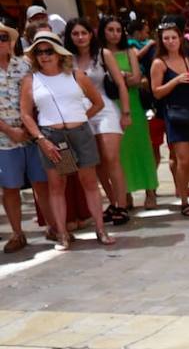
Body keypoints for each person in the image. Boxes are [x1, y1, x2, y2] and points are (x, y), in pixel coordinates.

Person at [20, 30, 112, 249]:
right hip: (52, 136)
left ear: (59, 52)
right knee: (57, 185)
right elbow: (25, 114)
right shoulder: (31, 80)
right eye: (39, 52)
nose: (44, 55)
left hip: (79, 133)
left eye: (48, 50)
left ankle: (101, 229)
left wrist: (80, 119)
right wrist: (41, 139)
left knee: (89, 182)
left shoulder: (76, 75)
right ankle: (62, 234)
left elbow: (98, 102)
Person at [67, 17, 132, 226]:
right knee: (96, 163)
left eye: (83, 33)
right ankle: (112, 202)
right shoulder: (67, 59)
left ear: (91, 34)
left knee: (111, 157)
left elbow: (121, 85)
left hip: (105, 109)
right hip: (80, 113)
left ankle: (122, 205)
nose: (80, 37)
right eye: (75, 34)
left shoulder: (103, 54)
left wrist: (126, 112)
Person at [0, 20, 51, 253]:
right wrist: (10, 130)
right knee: (10, 188)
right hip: (3, 139)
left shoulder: (24, 66)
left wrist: (27, 127)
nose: (1, 43)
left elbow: (36, 98)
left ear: (11, 42)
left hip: (30, 135)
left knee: (41, 182)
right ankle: (18, 233)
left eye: (3, 38)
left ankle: (54, 226)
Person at [150, 20, 189, 217]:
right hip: (174, 113)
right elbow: (156, 92)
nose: (170, 41)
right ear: (161, 40)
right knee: (182, 160)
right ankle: (184, 200)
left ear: (180, 38)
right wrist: (176, 80)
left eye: (173, 37)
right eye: (166, 38)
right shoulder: (159, 63)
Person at [99, 17, 158, 211]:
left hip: (132, 104)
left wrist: (121, 77)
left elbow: (137, 78)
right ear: (103, 31)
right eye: (110, 30)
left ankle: (150, 191)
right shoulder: (99, 55)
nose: (115, 34)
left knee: (142, 147)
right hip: (109, 105)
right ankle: (125, 193)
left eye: (118, 30)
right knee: (119, 152)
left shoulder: (129, 51)